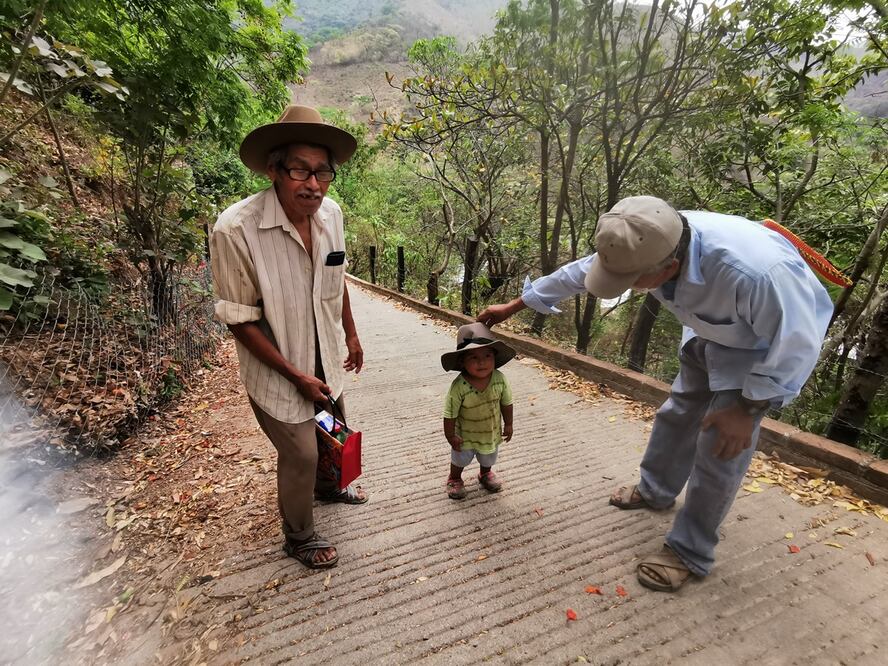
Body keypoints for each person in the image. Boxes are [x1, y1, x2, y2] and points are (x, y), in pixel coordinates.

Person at [477, 195, 832, 591]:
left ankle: (690, 551)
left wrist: (747, 410)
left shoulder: (757, 274)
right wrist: (515, 306)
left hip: (757, 353)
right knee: (678, 413)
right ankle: (656, 490)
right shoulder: (646, 238)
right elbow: (581, 272)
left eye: (633, 281)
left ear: (670, 268)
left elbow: (798, 342)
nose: (627, 287)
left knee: (720, 448)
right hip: (707, 330)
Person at [209, 105, 367, 570]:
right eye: (300, 170)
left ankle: (328, 488)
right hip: (277, 367)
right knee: (299, 452)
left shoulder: (331, 215)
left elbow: (336, 279)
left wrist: (351, 335)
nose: (313, 184)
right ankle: (299, 537)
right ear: (274, 170)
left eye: (322, 172)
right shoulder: (236, 229)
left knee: (332, 430)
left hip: (325, 355)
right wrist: (296, 375)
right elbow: (239, 320)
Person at [440, 323, 516, 500]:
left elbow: (506, 403)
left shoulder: (500, 379)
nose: (482, 362)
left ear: (495, 357)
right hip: (464, 435)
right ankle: (454, 478)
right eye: (473, 357)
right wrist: (450, 436)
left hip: (490, 432)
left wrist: (509, 424)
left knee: (488, 456)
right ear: (462, 361)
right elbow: (450, 413)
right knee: (459, 460)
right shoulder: (459, 386)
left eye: (487, 355)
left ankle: (485, 473)